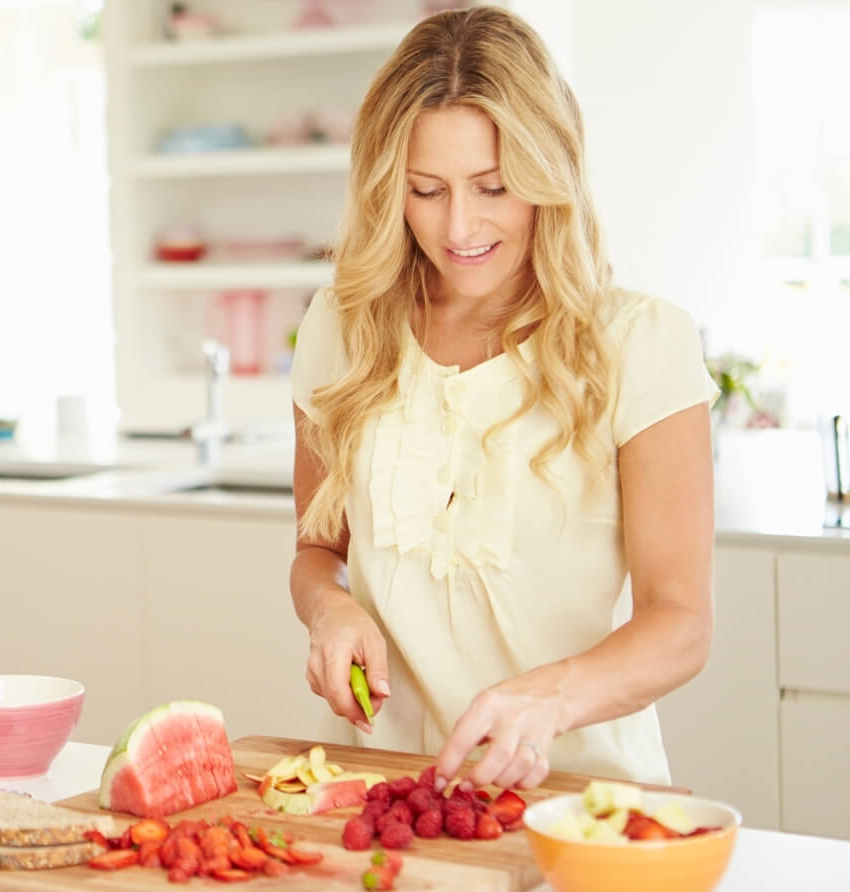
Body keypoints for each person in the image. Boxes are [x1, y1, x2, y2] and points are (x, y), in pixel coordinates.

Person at [289, 5, 716, 791]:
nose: (459, 226)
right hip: (377, 785)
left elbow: (679, 624)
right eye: (425, 190)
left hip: (575, 797)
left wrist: (546, 698)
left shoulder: (640, 341)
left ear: (548, 174)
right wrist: (331, 612)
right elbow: (319, 552)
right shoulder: (340, 328)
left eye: (493, 186)